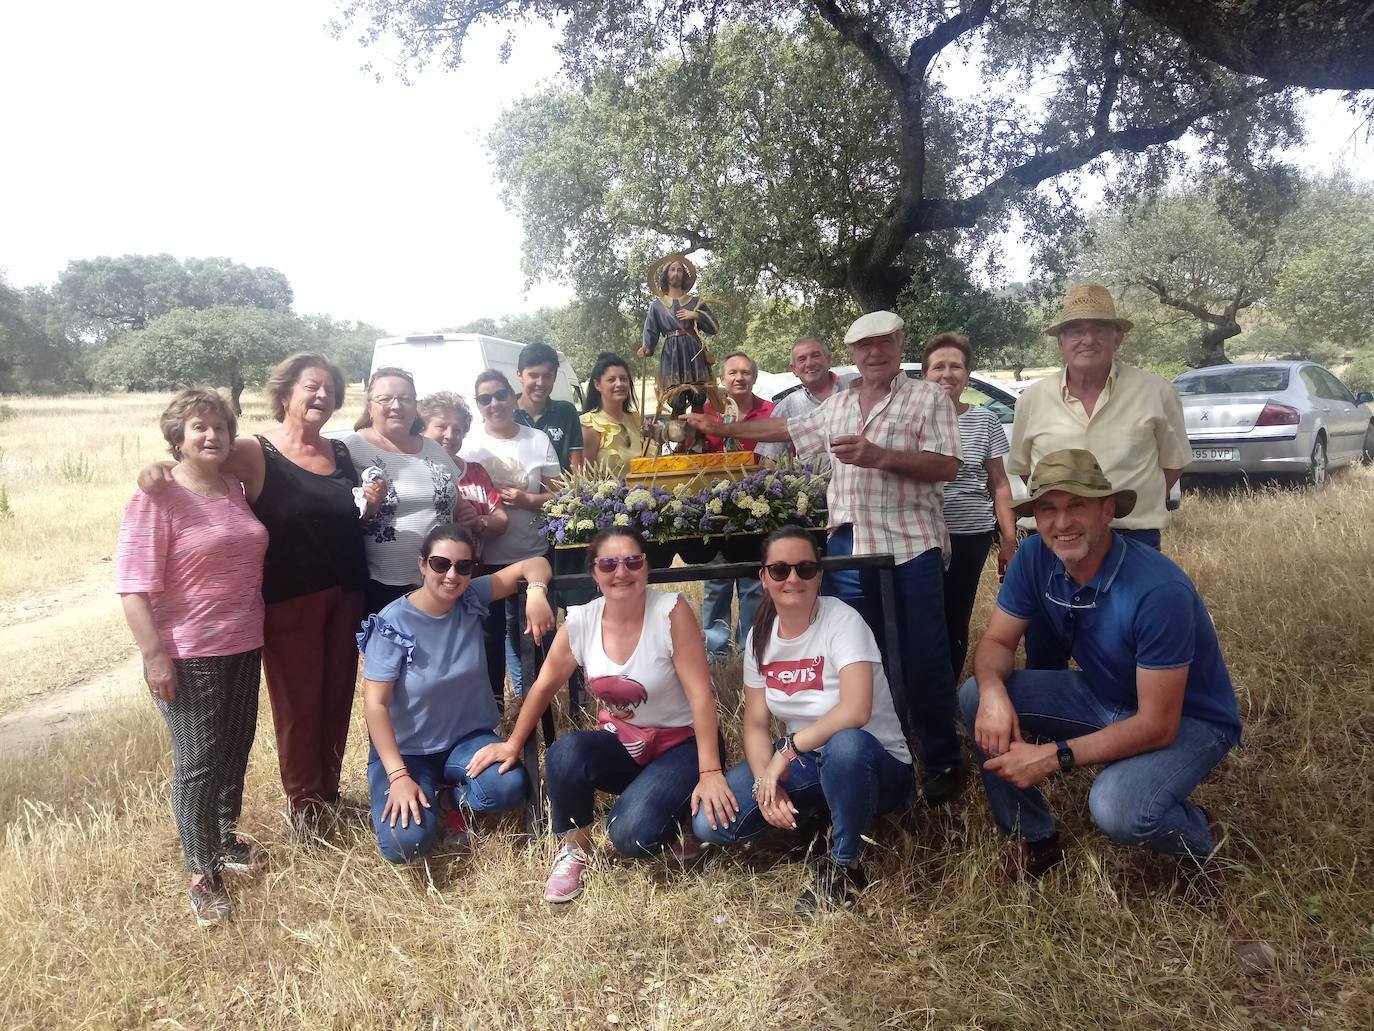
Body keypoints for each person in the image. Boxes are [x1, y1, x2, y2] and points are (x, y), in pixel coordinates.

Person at [681, 310, 965, 805]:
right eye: (864, 346)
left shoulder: (928, 397)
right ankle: (870, 749)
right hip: (848, 549)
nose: (874, 353)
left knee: (924, 656)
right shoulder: (839, 404)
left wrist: (880, 455)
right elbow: (787, 429)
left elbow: (946, 465)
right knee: (854, 659)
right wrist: (723, 426)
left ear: (900, 346)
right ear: (853, 354)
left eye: (883, 343)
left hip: (910, 545)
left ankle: (940, 759)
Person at [133, 354, 385, 843]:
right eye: (312, 387)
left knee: (336, 697)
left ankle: (329, 794)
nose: (322, 396)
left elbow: (343, 516)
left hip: (346, 593)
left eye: (330, 389)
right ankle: (304, 807)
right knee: (298, 704)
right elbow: (197, 458)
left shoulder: (341, 453)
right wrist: (156, 468)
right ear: (285, 393)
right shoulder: (254, 450)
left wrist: (369, 506)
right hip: (288, 599)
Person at [960, 449, 1240, 885]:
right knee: (976, 694)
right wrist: (994, 692)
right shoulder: (1035, 557)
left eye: (1077, 505)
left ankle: (1204, 836)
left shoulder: (1158, 590)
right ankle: (1034, 838)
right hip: (1106, 695)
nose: (1062, 523)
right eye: (1047, 509)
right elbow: (996, 641)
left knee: (1118, 810)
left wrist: (1053, 756)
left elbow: (1157, 726)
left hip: (1190, 719)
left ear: (1108, 510)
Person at [466, 527, 737, 903]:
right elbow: (543, 688)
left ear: (646, 568)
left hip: (682, 746)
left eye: (632, 561)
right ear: (594, 573)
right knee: (565, 752)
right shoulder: (581, 622)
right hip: (624, 745)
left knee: (631, 836)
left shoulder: (671, 611)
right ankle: (575, 850)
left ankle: (679, 819)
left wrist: (710, 772)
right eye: (608, 564)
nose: (621, 572)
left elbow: (701, 696)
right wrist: (512, 743)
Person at [692, 527, 915, 916]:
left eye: (805, 569)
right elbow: (757, 724)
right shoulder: (761, 637)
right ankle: (821, 814)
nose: (793, 578)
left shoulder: (843, 622)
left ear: (820, 575)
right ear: (763, 577)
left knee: (846, 743)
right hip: (810, 758)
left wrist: (788, 752)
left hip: (876, 763)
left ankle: (845, 866)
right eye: (779, 570)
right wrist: (766, 782)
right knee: (710, 826)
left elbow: (856, 710)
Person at [116, 388, 270, 926]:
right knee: (198, 763)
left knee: (234, 747)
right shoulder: (157, 497)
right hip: (187, 651)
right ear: (177, 438)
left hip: (245, 640)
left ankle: (225, 838)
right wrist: (154, 656)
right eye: (198, 427)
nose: (211, 436)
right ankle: (201, 873)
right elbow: (132, 586)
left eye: (219, 428)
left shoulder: (234, 488)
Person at [1007, 285, 1191, 670]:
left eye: (1099, 329)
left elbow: (1172, 465)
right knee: (1044, 646)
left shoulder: (1156, 391)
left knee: (1127, 648)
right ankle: (1048, 723)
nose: (1087, 339)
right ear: (1061, 341)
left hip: (1132, 535)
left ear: (1118, 337)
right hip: (1053, 537)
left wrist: (1115, 505)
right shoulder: (1033, 399)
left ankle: (1128, 723)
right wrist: (1067, 508)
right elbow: (1025, 468)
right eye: (1075, 330)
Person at [359, 524, 553, 863]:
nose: (452, 575)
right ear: (422, 565)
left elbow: (534, 563)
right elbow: (375, 705)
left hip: (464, 740)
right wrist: (399, 776)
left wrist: (535, 592)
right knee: (406, 845)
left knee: (507, 789)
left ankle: (451, 799)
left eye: (463, 566)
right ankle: (426, 796)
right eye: (440, 564)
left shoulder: (471, 598)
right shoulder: (393, 623)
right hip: (407, 752)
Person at [922, 333, 1019, 679]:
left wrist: (1009, 538)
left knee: (955, 613)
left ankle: (947, 695)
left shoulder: (985, 420)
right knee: (919, 614)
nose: (947, 374)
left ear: (967, 374)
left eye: (956, 366)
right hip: (918, 534)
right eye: (938, 367)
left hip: (970, 533)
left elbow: (999, 482)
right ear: (925, 375)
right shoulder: (910, 418)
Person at [460, 368, 560, 700]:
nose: (494, 403)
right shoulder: (468, 445)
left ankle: (536, 707)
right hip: (484, 562)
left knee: (533, 637)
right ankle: (494, 712)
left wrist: (528, 499)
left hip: (532, 555)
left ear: (512, 396)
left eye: (500, 394)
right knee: (488, 643)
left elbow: (560, 497)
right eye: (484, 398)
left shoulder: (536, 439)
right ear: (478, 405)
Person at [345, 367, 463, 616]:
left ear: (415, 405)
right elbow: (338, 515)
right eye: (385, 398)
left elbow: (455, 497)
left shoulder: (432, 448)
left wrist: (471, 515)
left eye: (405, 399)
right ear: (369, 405)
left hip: (440, 578)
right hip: (380, 585)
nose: (396, 406)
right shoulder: (350, 449)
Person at [698, 351, 775, 658]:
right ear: (722, 379)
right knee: (716, 581)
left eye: (745, 373)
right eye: (733, 373)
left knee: (753, 583)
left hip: (757, 510)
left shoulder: (770, 411)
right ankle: (715, 651)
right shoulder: (706, 413)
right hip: (715, 512)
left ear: (754, 378)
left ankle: (749, 649)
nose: (739, 378)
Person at [419, 390, 509, 559]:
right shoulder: (413, 475)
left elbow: (501, 520)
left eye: (458, 430)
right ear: (421, 429)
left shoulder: (476, 472)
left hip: (472, 576)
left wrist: (478, 522)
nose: (450, 436)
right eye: (441, 426)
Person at [638, 253, 719, 414]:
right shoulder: (657, 306)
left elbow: (714, 327)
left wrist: (696, 316)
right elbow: (651, 330)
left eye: (679, 270)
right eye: (672, 270)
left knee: (698, 397)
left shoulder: (695, 302)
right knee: (676, 399)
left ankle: (699, 437)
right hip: (671, 354)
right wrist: (647, 347)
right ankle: (680, 438)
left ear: (684, 276)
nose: (676, 273)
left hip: (693, 351)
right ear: (666, 275)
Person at [755, 336, 845, 467]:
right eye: (802, 359)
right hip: (818, 486)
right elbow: (770, 459)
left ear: (829, 360)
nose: (809, 363)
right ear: (794, 369)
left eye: (815, 355)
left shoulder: (854, 386)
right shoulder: (788, 406)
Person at [513, 341, 584, 473]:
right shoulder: (504, 412)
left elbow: (577, 470)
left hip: (562, 493)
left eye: (547, 376)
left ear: (555, 377)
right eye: (533, 375)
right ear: (519, 375)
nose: (540, 383)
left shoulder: (566, 412)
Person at [579, 351, 643, 475]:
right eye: (611, 380)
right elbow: (583, 483)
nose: (619, 384)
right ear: (598, 385)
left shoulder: (636, 420)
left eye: (623, 379)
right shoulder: (590, 427)